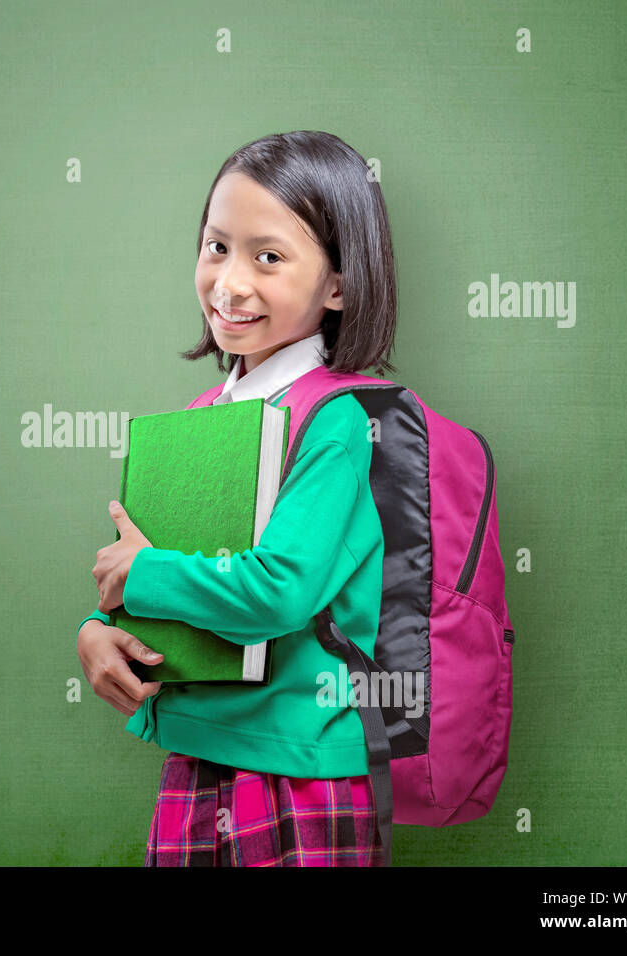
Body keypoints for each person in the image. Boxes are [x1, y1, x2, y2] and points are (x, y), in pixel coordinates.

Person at [75, 131, 398, 866]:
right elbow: (148, 570)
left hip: (304, 770)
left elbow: (279, 590)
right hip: (196, 756)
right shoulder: (199, 417)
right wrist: (99, 629)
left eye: (269, 257)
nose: (231, 281)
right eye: (217, 247)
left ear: (340, 285)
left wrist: (146, 574)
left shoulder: (338, 421)